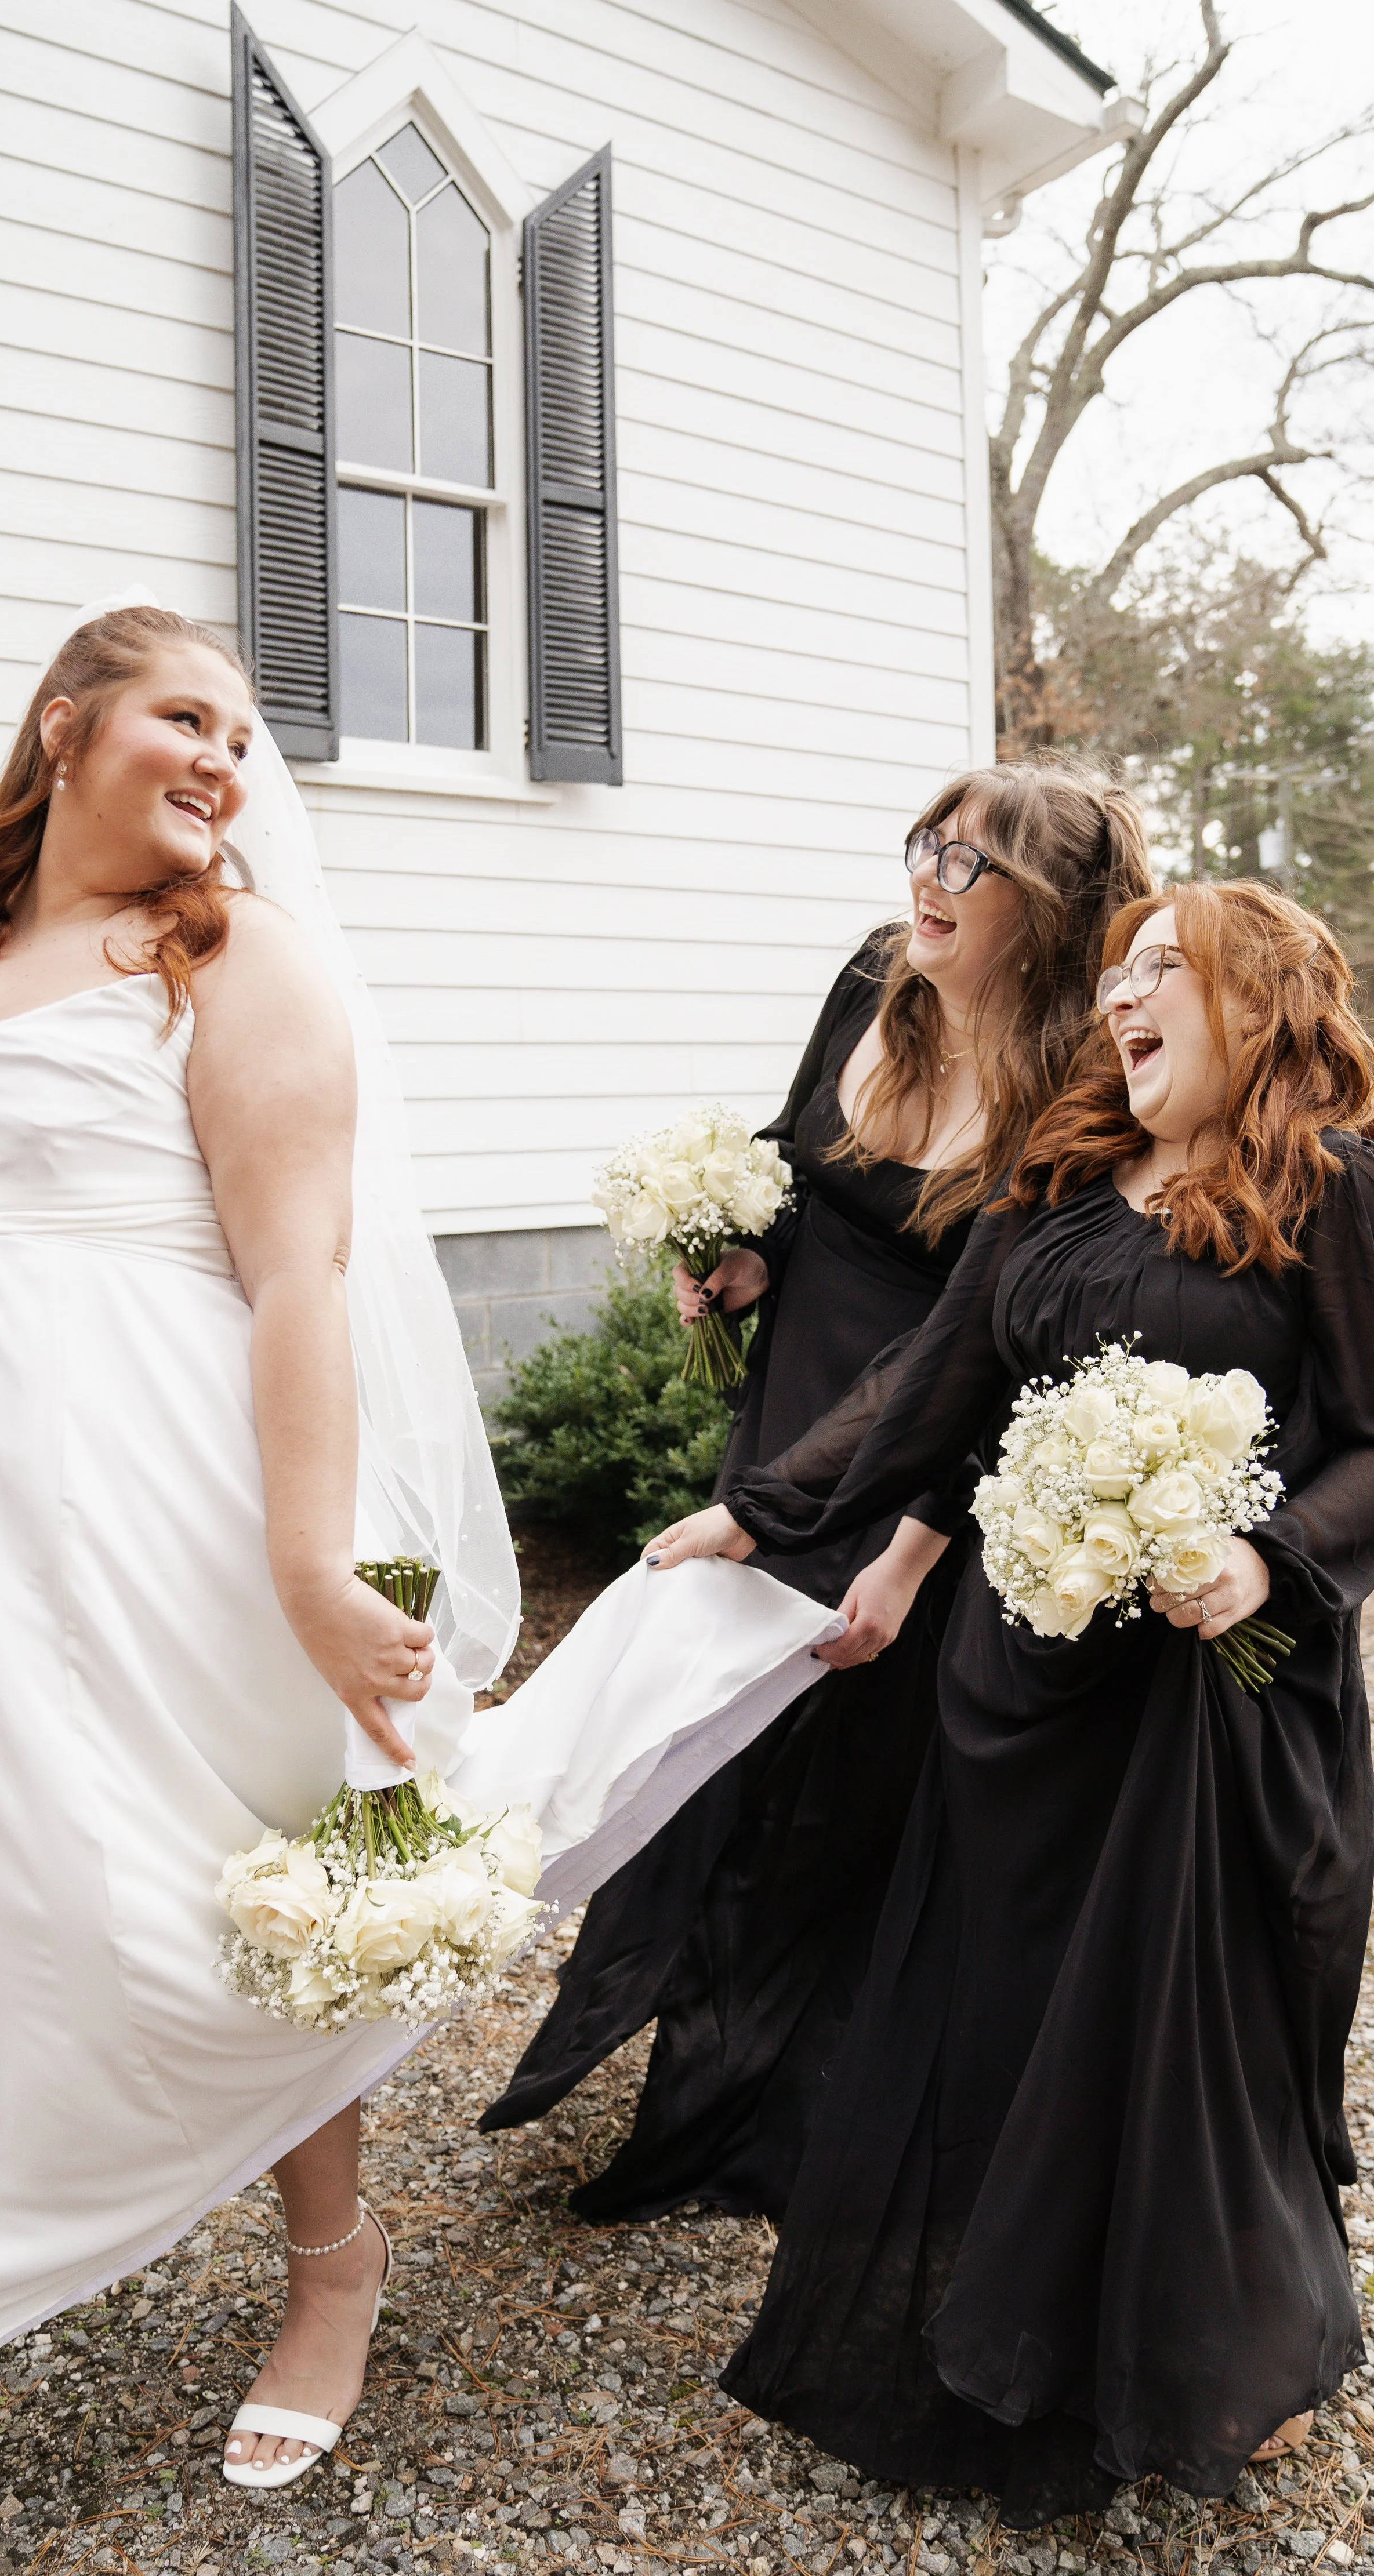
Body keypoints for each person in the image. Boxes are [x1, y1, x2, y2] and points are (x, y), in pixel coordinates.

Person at [0, 604, 836, 2502]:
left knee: (240, 1889)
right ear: (65, 723)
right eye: (183, 712)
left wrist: (310, 1562)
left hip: (166, 1510)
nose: (219, 757)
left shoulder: (234, 957)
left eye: (241, 736)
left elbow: (298, 1291)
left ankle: (330, 2260)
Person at [642, 880, 1374, 2519]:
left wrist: (1265, 1559)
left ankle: (1215, 2351)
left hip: (1209, 1704)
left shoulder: (1321, 1192)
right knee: (1021, 2010)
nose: (1125, 999)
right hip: (1021, 1679)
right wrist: (765, 1505)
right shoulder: (1049, 1183)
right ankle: (1018, 2331)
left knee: (1187, 2029)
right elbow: (932, 1385)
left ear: (1257, 1001)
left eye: (1164, 972)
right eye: (1118, 976)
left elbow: (1372, 1444)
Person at [483, 762, 1155, 2226]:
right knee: (721, 1755)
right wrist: (746, 1256)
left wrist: (910, 1557)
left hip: (919, 1448)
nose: (927, 878)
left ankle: (810, 2122)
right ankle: (697, 2078)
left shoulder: (1078, 1084)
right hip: (790, 1404)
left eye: (970, 867)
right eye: (928, 842)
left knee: (853, 1780)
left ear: (1046, 917)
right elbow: (802, 1153)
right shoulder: (873, 978)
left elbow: (990, 1336)